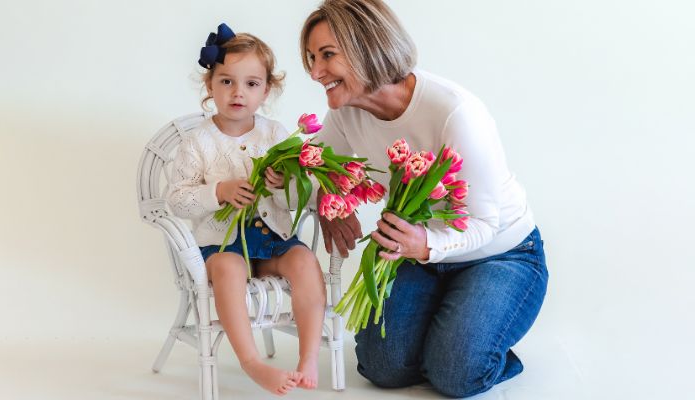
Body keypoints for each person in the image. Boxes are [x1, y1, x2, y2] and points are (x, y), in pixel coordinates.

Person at [299, 1, 548, 397]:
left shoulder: (456, 113)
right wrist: (329, 202)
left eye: (327, 55)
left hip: (501, 254)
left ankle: (476, 349)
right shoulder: (347, 114)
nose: (314, 72)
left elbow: (484, 223)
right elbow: (315, 169)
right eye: (311, 58)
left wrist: (427, 244)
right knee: (381, 368)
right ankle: (449, 334)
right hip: (417, 257)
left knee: (456, 375)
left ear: (368, 45)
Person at [167, 23, 326, 395]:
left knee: (305, 263)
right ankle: (251, 362)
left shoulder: (275, 135)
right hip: (221, 244)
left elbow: (302, 194)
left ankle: (308, 358)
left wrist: (281, 185)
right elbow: (177, 199)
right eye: (226, 82)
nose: (239, 92)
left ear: (266, 90)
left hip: (272, 242)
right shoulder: (198, 142)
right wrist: (218, 191)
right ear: (210, 86)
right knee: (229, 268)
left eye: (251, 84)